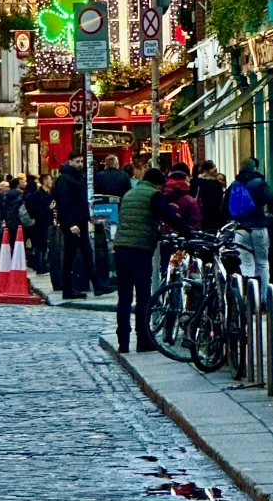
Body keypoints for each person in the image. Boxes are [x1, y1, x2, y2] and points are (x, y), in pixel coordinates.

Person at [112, 168, 189, 354]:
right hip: (140, 249)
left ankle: (123, 341)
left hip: (121, 248)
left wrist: (155, 233)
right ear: (158, 184)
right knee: (143, 296)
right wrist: (188, 233)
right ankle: (143, 339)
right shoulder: (153, 195)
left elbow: (133, 220)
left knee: (124, 297)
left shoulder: (129, 194)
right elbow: (171, 217)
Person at [52, 151, 97, 300]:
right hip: (73, 223)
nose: (80, 164)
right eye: (77, 161)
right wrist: (70, 223)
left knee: (86, 252)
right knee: (71, 256)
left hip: (80, 221)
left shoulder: (78, 178)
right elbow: (64, 203)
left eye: (81, 161)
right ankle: (68, 288)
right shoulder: (65, 179)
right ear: (70, 161)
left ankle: (97, 285)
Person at [227, 157, 273, 297]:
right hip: (259, 227)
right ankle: (264, 298)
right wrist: (269, 211)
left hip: (241, 228)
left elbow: (224, 207)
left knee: (246, 264)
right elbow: (270, 197)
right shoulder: (260, 183)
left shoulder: (234, 184)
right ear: (254, 168)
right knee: (262, 263)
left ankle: (248, 299)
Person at [23, 175, 52, 274]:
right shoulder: (38, 195)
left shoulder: (47, 194)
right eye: (49, 179)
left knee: (44, 245)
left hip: (46, 222)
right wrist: (49, 208)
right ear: (44, 181)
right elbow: (36, 210)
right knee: (40, 245)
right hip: (40, 223)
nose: (51, 181)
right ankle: (40, 266)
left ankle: (43, 265)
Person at [193, 159, 225, 231]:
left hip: (203, 217)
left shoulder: (199, 182)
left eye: (214, 166)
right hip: (212, 218)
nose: (215, 169)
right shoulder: (212, 185)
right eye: (211, 168)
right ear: (205, 171)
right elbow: (213, 203)